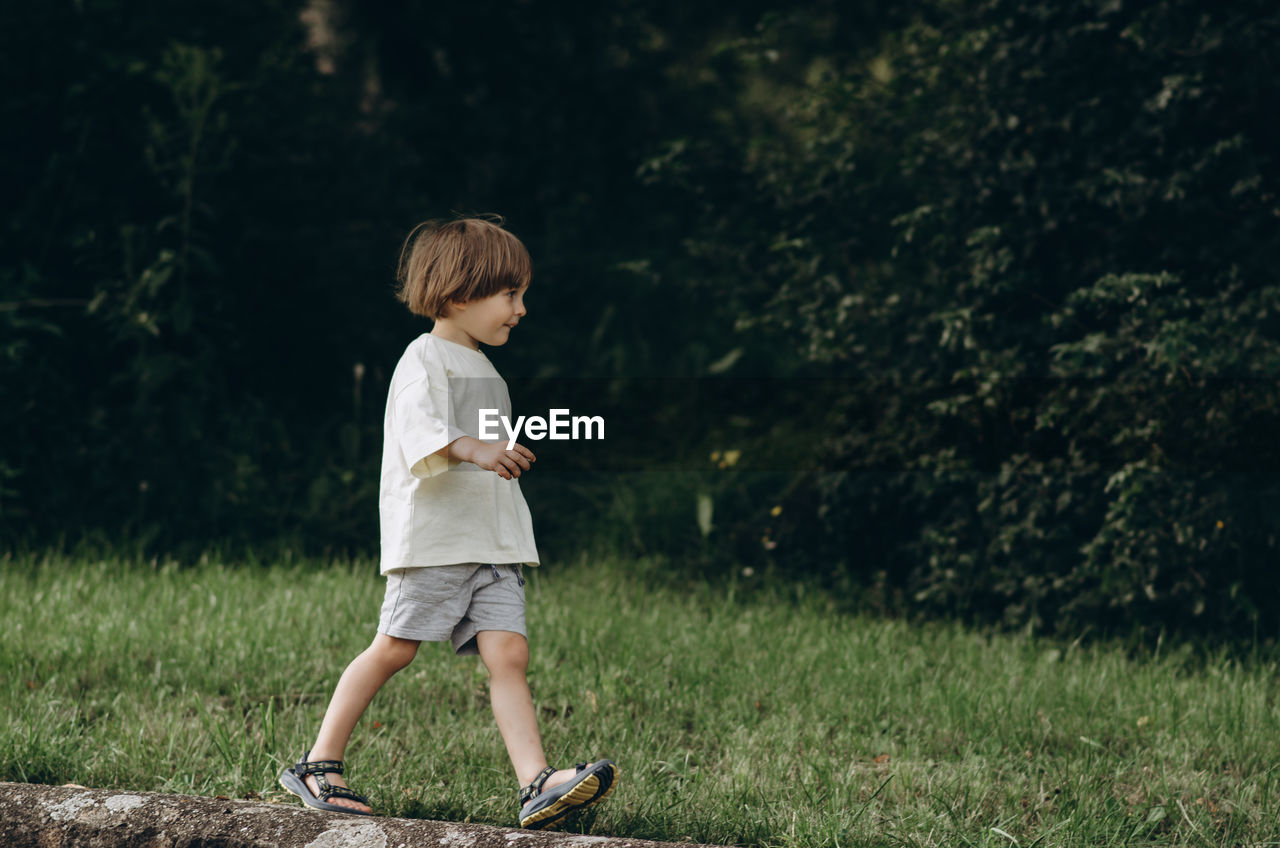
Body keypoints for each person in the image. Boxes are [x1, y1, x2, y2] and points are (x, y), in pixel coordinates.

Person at [279, 216, 617, 829]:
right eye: (510, 295)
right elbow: (421, 430)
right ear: (460, 295)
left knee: (509, 654)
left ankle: (535, 783)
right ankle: (318, 762)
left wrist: (515, 445)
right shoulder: (424, 359)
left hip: (490, 545)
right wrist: (477, 448)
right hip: (437, 544)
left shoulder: (483, 367)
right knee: (395, 647)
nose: (521, 309)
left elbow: (487, 446)